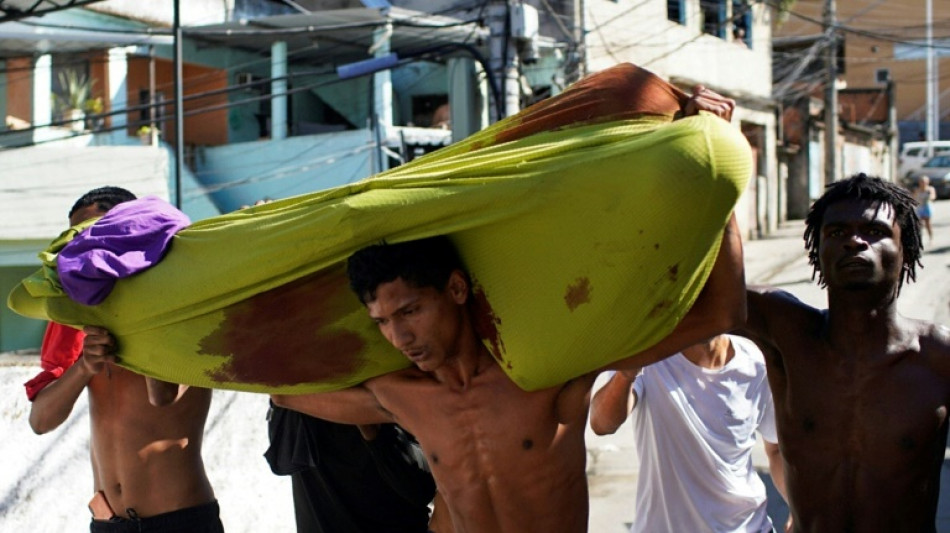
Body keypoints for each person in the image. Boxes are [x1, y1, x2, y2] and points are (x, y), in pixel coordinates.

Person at [272, 176, 745, 532]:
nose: (398, 338)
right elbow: (282, 394)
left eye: (411, 311)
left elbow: (721, 311)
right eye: (382, 323)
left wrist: (718, 180)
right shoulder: (399, 396)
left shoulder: (549, 377)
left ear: (456, 288)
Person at [742, 173, 950, 532]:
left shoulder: (938, 358)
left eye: (874, 231)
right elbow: (705, 286)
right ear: (816, 252)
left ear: (907, 250)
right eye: (836, 233)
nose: (854, 241)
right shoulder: (786, 335)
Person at [25, 186, 223, 532]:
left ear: (130, 227)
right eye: (75, 238)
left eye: (93, 231)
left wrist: (144, 320)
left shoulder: (184, 301)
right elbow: (40, 421)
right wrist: (84, 367)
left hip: (179, 520)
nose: (84, 246)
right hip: (107, 524)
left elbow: (162, 397)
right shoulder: (74, 317)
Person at [589, 334, 788, 533]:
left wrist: (796, 508)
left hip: (749, 527)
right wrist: (625, 376)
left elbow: (777, 450)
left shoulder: (756, 365)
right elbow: (601, 424)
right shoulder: (650, 357)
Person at [263, 403, 445, 532]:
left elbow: (422, 491)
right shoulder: (296, 395)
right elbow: (282, 460)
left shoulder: (394, 390)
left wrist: (373, 433)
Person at [912, 175, 936, 244]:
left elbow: (933, 196)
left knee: (928, 224)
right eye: (922, 181)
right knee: (919, 225)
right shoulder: (917, 189)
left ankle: (931, 238)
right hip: (919, 208)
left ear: (928, 182)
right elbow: (913, 198)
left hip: (927, 207)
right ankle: (919, 239)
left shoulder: (930, 189)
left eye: (924, 182)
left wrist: (930, 197)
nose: (923, 183)